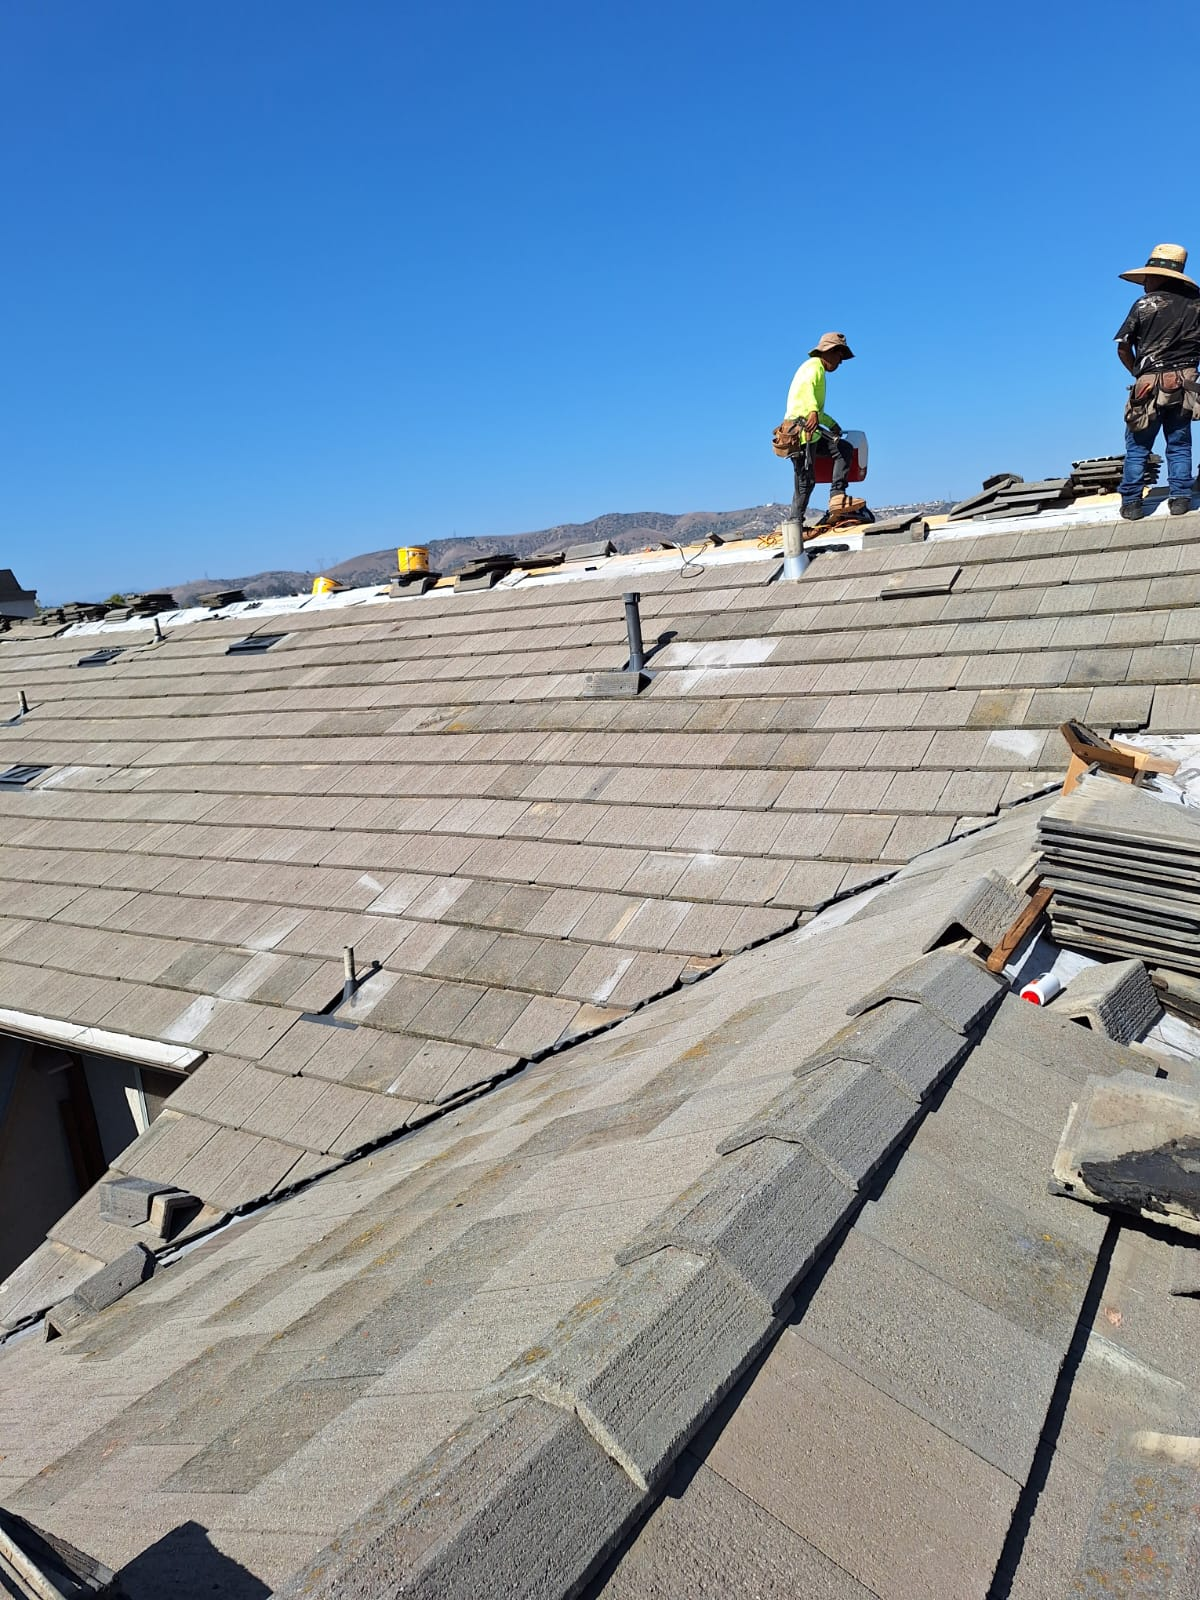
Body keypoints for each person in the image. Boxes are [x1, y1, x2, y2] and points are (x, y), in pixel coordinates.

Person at [1115, 244, 1200, 519]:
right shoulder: (1197, 305)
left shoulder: (1144, 305)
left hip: (1147, 386)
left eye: (1149, 277)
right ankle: (1180, 499)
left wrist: (1136, 373)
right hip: (1185, 384)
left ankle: (1131, 503)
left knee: (1138, 446)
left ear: (1161, 276)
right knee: (1179, 443)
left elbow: (1123, 347)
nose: (1145, 283)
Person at [784, 332, 863, 520]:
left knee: (843, 448)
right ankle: (795, 523)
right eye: (839, 356)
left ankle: (837, 496)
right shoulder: (813, 368)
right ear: (829, 351)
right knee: (805, 482)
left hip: (812, 432)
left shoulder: (816, 369)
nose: (840, 362)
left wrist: (831, 423)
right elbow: (806, 389)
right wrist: (812, 411)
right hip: (802, 434)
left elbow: (816, 410)